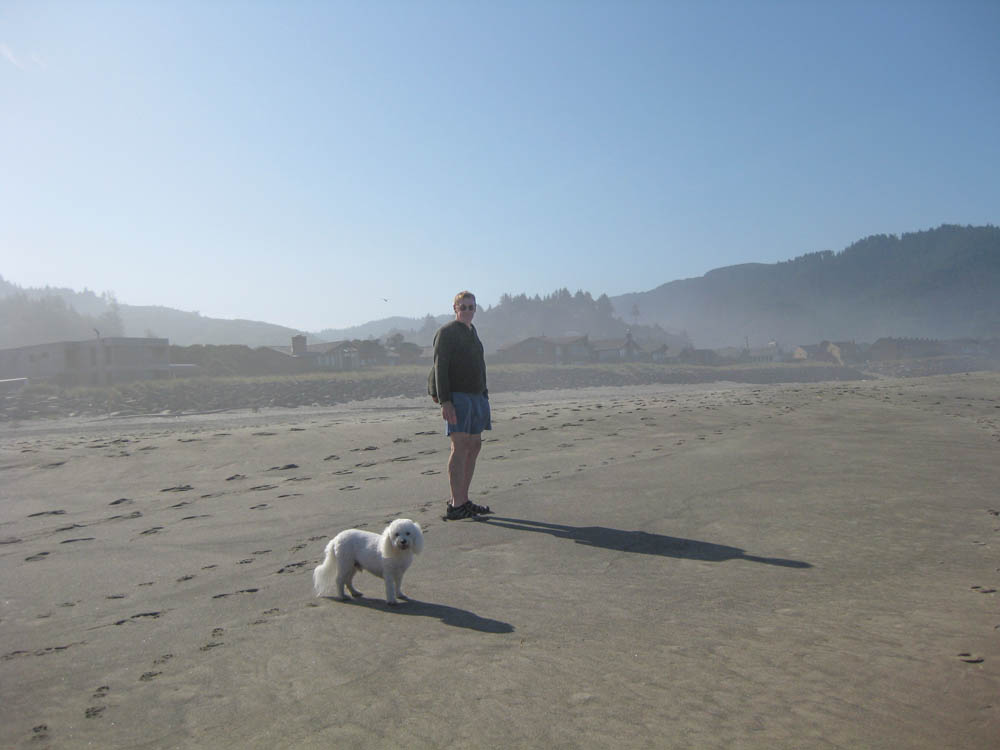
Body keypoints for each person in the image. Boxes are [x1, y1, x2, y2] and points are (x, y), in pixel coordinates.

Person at [430, 291, 493, 520]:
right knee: (460, 446)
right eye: (463, 306)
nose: (467, 310)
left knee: (475, 445)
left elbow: (480, 365)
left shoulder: (472, 332)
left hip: (477, 396)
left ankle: (464, 499)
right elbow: (440, 367)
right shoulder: (446, 333)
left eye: (471, 307)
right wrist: (445, 401)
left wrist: (484, 394)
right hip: (458, 397)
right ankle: (456, 504)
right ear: (455, 308)